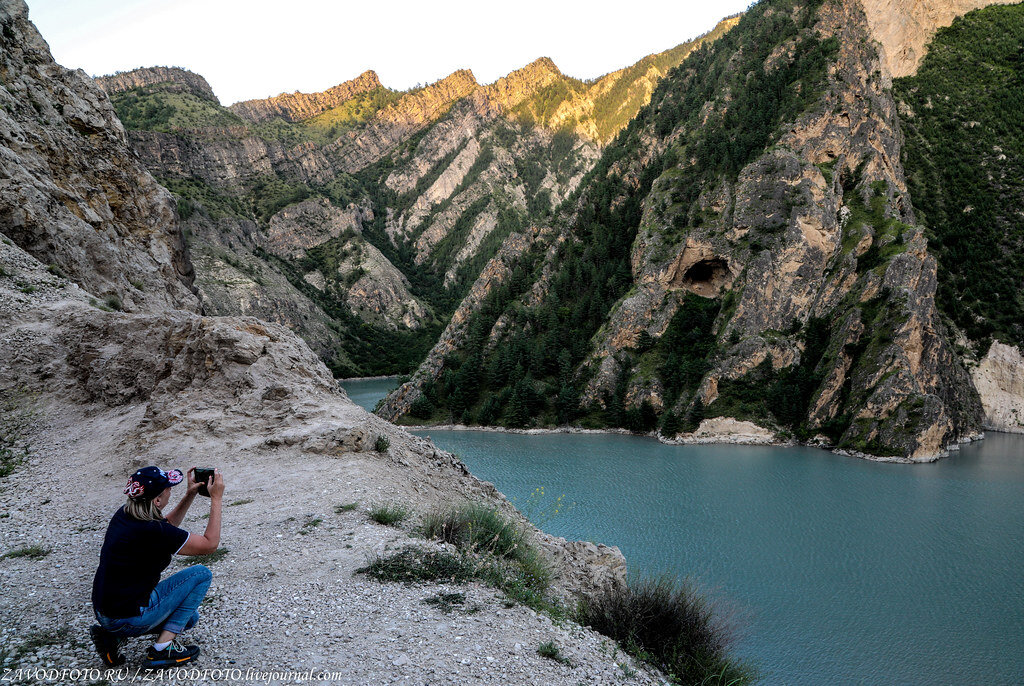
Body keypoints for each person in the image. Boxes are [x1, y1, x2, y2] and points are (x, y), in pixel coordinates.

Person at [90, 465, 224, 668]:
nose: (171, 489)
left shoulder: (126, 514)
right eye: (169, 487)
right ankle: (162, 650)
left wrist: (190, 495)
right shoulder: (153, 531)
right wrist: (217, 498)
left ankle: (112, 637)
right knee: (201, 574)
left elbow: (167, 526)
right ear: (157, 500)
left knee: (189, 618)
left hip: (106, 614)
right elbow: (210, 544)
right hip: (128, 617)